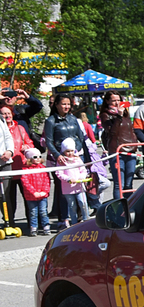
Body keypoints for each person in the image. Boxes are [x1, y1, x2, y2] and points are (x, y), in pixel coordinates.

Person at [44, 93, 93, 231]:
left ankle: (80, 218)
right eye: (63, 104)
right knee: (64, 190)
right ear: (57, 105)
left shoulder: (73, 119)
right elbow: (49, 141)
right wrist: (57, 155)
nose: (66, 107)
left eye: (68, 104)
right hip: (61, 159)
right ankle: (63, 218)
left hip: (76, 157)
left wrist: (79, 154)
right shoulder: (51, 121)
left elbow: (80, 138)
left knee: (79, 189)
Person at [2, 104, 34, 230]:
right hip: (7, 168)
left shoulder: (19, 128)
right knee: (8, 198)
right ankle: (9, 222)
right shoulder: (1, 129)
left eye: (8, 113)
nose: (7, 116)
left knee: (28, 197)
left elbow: (30, 143)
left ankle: (32, 223)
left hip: (22, 167)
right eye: (4, 114)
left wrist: (28, 147)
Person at [99, 92, 137, 199]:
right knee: (119, 184)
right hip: (117, 151)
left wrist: (135, 141)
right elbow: (112, 132)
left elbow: (130, 129)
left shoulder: (126, 113)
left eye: (118, 100)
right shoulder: (105, 115)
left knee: (129, 184)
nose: (117, 103)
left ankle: (129, 207)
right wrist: (118, 116)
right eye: (114, 100)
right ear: (107, 101)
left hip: (130, 150)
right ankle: (119, 210)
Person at [55, 138, 91, 225]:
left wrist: (81, 178)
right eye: (67, 151)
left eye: (72, 150)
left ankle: (87, 221)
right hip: (68, 188)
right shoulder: (61, 161)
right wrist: (68, 179)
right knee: (72, 206)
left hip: (79, 186)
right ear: (64, 151)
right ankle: (74, 223)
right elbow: (59, 173)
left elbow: (83, 170)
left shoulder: (78, 159)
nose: (70, 153)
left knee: (83, 203)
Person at [19, 147, 51, 235]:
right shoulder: (25, 170)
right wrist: (34, 192)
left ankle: (46, 226)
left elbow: (47, 181)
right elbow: (25, 183)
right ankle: (33, 227)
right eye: (35, 157)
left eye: (39, 156)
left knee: (43, 211)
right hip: (31, 196)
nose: (38, 159)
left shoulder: (43, 168)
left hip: (42, 195)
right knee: (33, 212)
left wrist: (45, 191)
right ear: (29, 159)